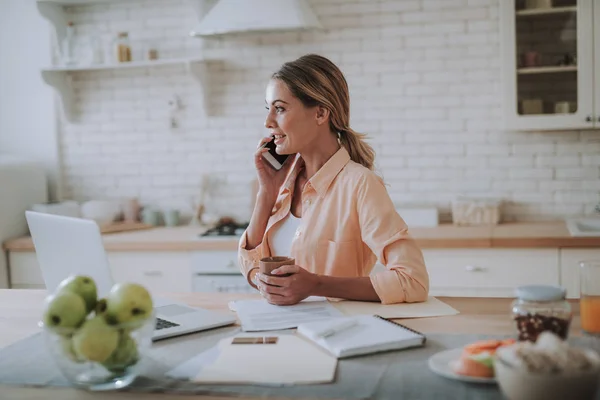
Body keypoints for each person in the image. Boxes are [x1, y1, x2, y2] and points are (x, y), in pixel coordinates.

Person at [237, 54, 429, 305]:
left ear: (320, 113)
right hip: (278, 331)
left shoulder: (360, 184)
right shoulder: (281, 184)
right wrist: (266, 194)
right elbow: (250, 269)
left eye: (280, 108)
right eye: (268, 108)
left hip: (336, 333)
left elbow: (413, 281)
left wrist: (316, 284)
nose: (268, 121)